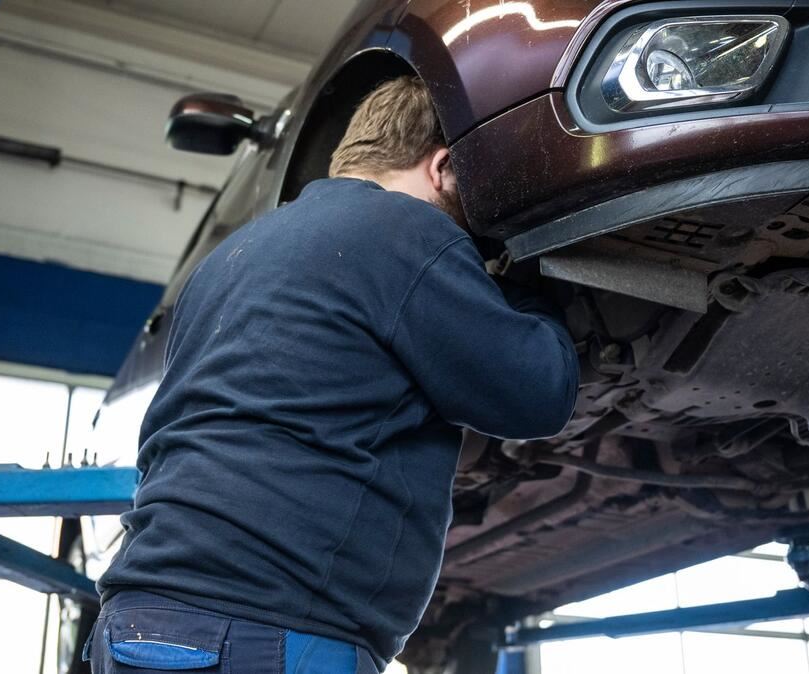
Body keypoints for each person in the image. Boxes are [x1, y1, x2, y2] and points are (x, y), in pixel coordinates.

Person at [86, 76, 579, 674]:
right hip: (267, 625)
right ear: (444, 167)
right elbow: (535, 394)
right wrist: (537, 288)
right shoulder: (406, 230)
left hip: (137, 618)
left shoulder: (233, 255)